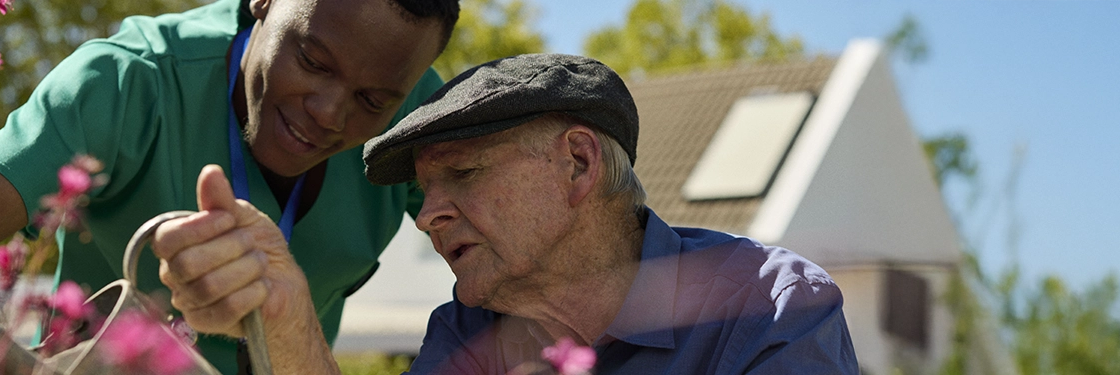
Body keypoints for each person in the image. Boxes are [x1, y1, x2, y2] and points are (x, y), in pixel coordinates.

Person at [0, 0, 459, 373]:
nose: (329, 112)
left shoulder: (421, 122)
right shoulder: (129, 79)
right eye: (313, 62)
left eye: (373, 101)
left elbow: (506, 246)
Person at [358, 54, 861, 374]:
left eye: (464, 172)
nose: (426, 216)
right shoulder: (465, 329)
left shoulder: (773, 307)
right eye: (423, 190)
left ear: (578, 163)